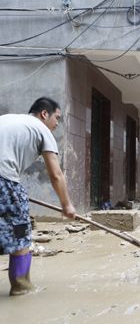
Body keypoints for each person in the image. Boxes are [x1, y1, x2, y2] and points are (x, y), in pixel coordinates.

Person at [0, 97, 76, 296]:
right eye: (57, 118)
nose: (57, 123)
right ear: (44, 114)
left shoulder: (6, 119)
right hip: (4, 180)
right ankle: (21, 286)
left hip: (4, 179)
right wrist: (66, 205)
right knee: (20, 231)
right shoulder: (42, 129)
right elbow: (55, 174)